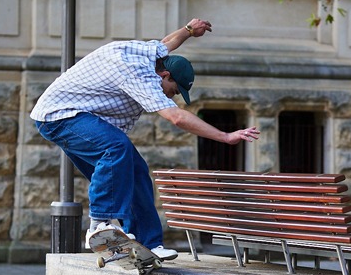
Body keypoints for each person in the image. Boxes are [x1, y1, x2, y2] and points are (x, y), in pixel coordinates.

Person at [31, 18, 260, 259]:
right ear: (165, 75)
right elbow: (176, 118)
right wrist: (224, 136)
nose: (171, 97)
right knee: (115, 147)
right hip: (58, 116)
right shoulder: (139, 75)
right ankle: (99, 225)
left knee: (135, 169)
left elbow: (167, 43)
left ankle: (148, 243)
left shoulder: (149, 54)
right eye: (172, 91)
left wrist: (190, 30)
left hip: (80, 116)